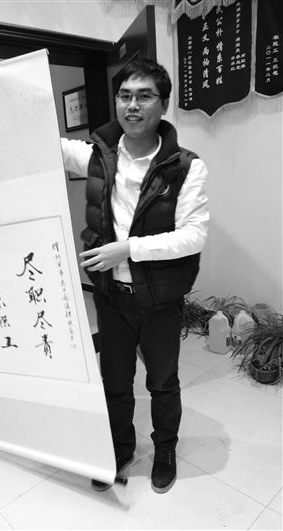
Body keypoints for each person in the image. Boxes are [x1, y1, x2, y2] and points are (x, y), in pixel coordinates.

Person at [61, 58, 209, 493]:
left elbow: (193, 236)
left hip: (159, 299)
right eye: (125, 95)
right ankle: (120, 448)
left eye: (144, 96)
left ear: (163, 104)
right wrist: (5, 86)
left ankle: (165, 449)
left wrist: (129, 249)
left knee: (162, 383)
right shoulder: (97, 155)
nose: (132, 105)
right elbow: (40, 143)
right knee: (115, 382)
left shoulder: (186, 167)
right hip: (111, 296)